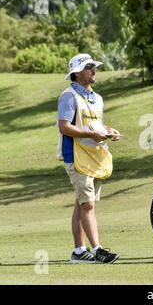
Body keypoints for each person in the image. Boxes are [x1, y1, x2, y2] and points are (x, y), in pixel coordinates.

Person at [57, 53, 121, 264]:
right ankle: (98, 249)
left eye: (94, 67)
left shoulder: (97, 98)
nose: (94, 71)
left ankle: (78, 252)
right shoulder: (68, 96)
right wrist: (91, 134)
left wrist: (109, 131)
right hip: (75, 156)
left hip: (94, 156)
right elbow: (64, 127)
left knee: (82, 204)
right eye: (89, 67)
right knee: (88, 206)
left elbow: (96, 125)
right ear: (76, 73)